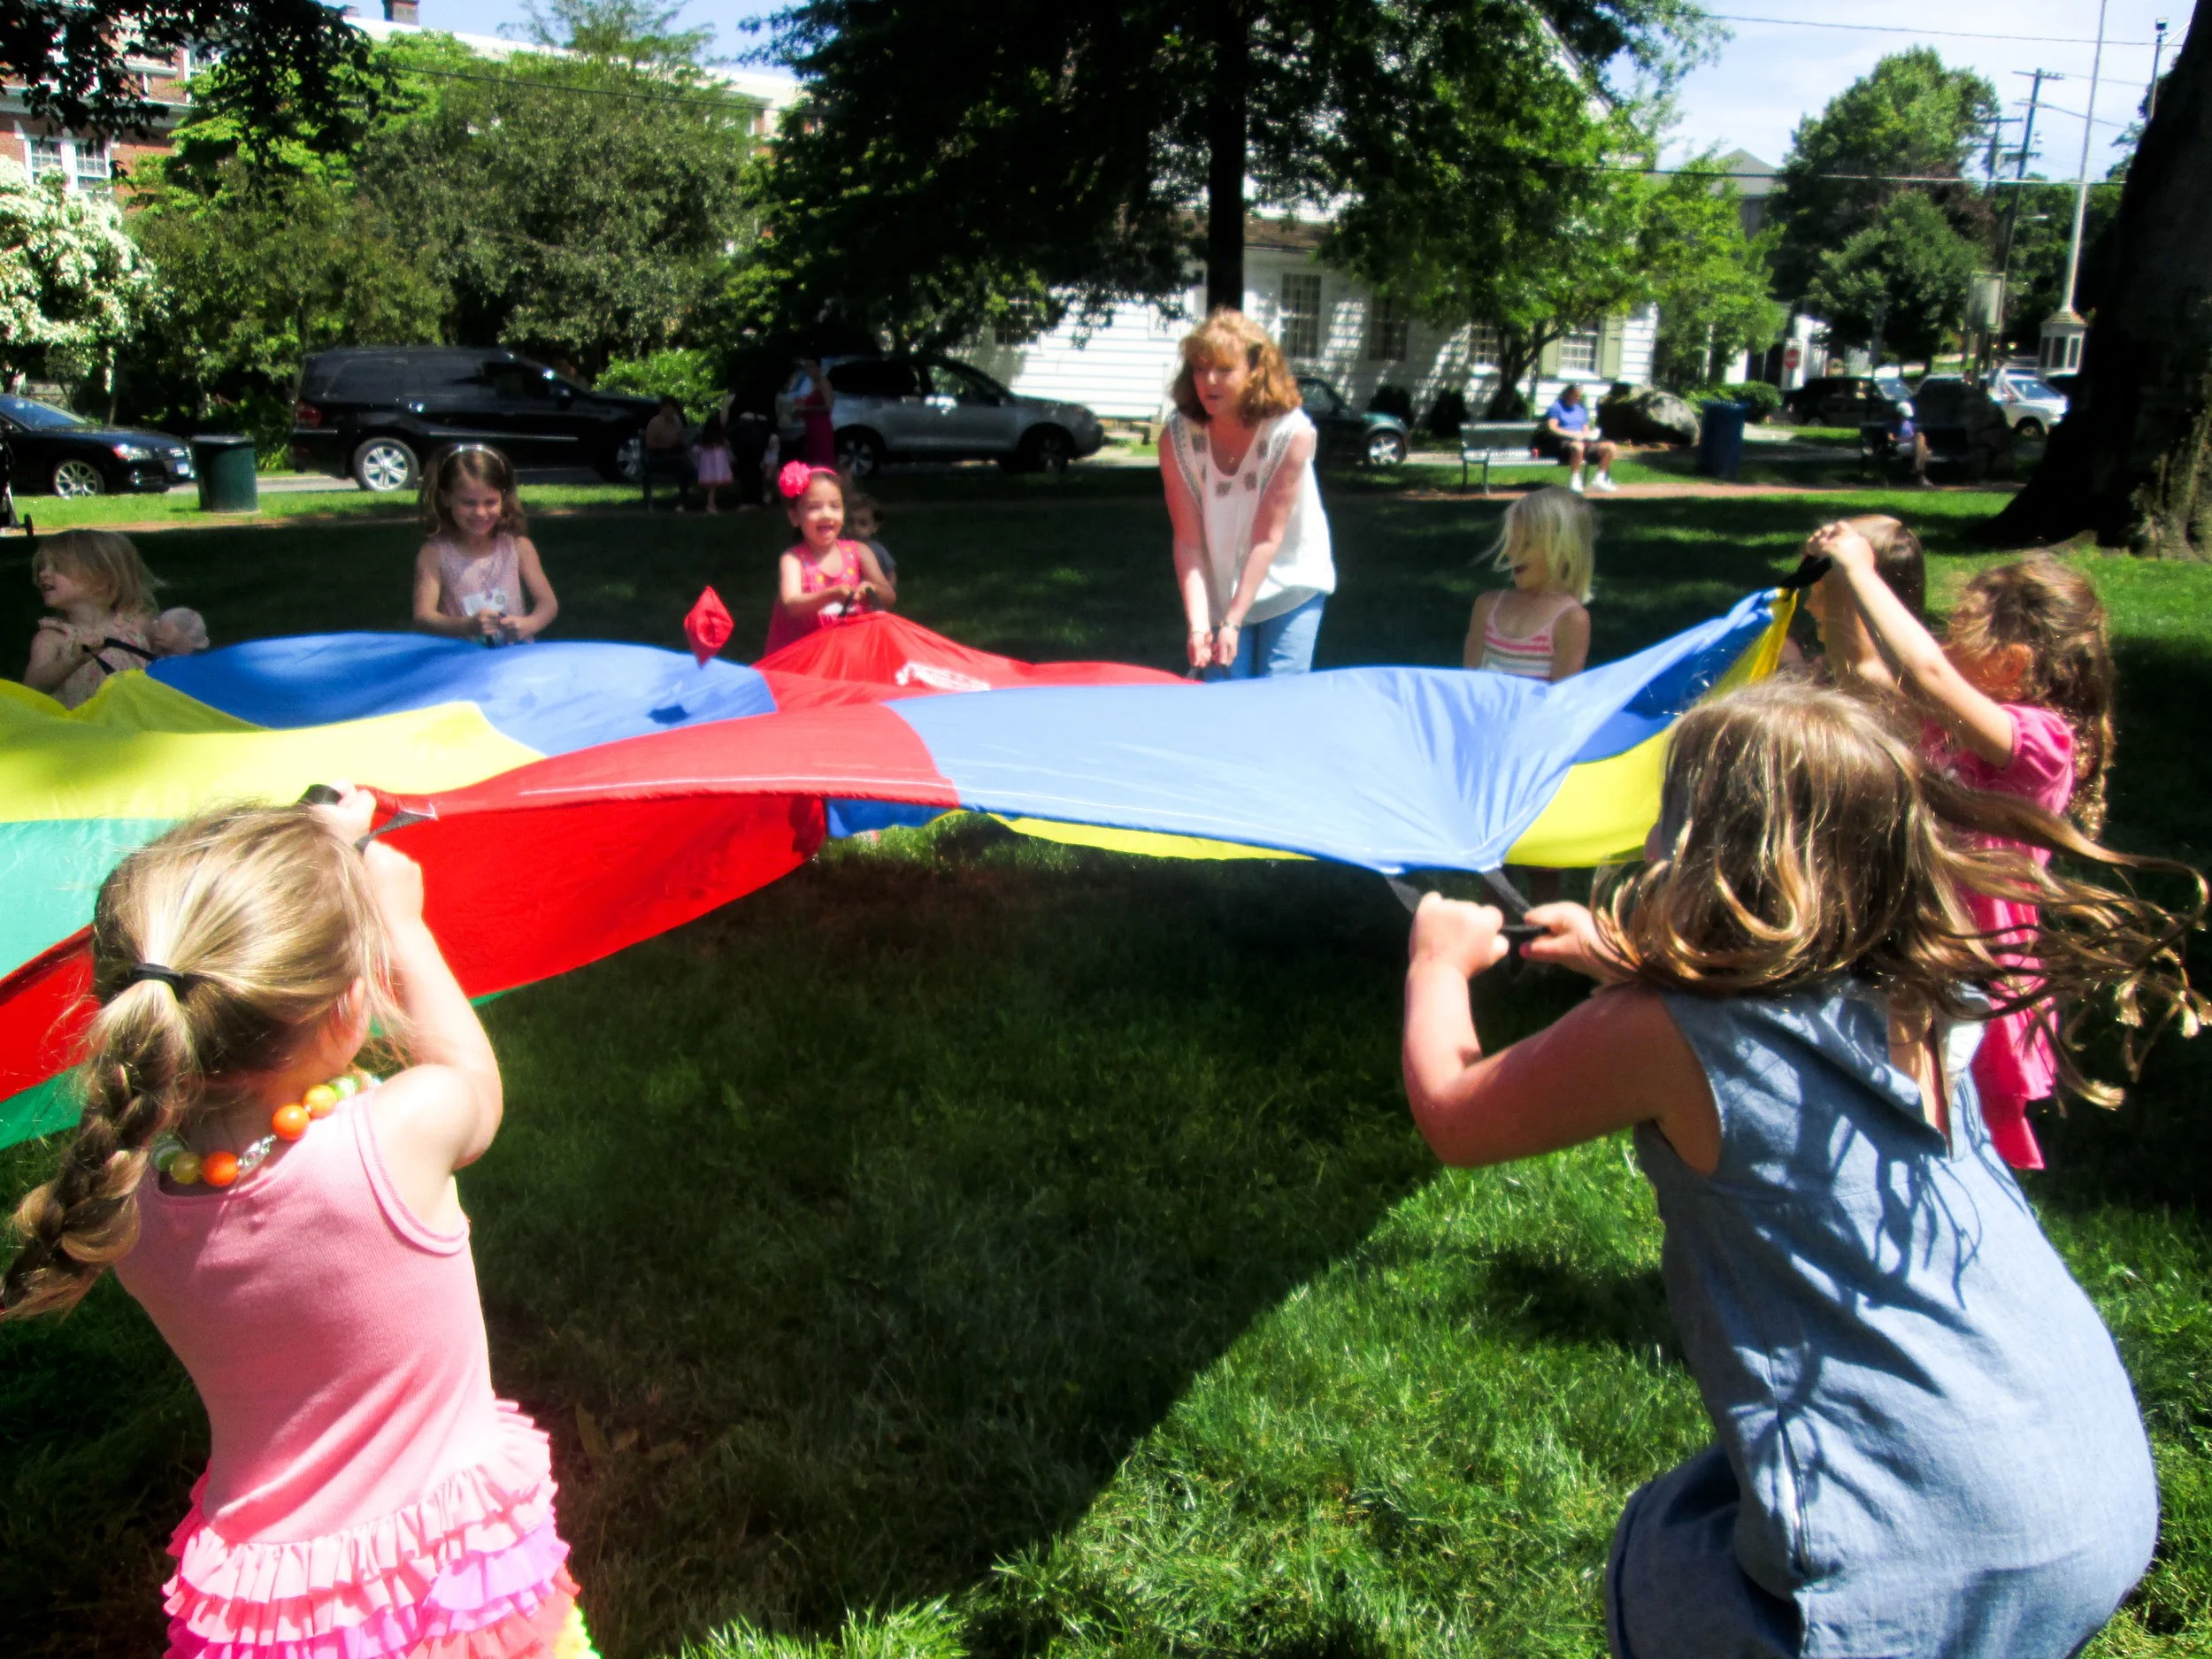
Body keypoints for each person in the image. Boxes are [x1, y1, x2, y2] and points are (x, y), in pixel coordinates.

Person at [1402, 679, 2199, 1659]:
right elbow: (1767, 1025)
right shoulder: (1918, 987)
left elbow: (1456, 1114)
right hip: (2084, 1480)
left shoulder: (1664, 1031)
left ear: (1702, 848)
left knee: (1668, 1565)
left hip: (1935, 1542)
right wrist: (1618, 954)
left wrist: (1436, 967)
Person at [0, 790, 597, 1657]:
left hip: (276, 1611)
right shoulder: (401, 1133)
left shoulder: (124, 1211)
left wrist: (313, 855)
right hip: (453, 1579)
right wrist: (402, 923)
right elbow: (472, 1075)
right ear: (350, 1004)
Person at [1815, 531, 2116, 1171]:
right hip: (1919, 942)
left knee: (1953, 1126)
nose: (1943, 643)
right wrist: (1836, 593)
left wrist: (1864, 570)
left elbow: (1922, 670)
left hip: (1974, 960)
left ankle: (1951, 1227)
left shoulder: (2041, 743)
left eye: (1959, 632)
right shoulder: (1944, 720)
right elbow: (1866, 669)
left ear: (2008, 664)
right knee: (1903, 1103)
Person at [1159, 309, 1337, 679]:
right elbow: (1188, 542)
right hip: (1220, 588)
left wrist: (1234, 621)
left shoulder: (1291, 433)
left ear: (1255, 370)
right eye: (1200, 368)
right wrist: (1199, 625)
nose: (1209, 380)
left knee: (1278, 701)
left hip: (1290, 580)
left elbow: (1267, 539)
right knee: (1224, 699)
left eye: (1224, 369)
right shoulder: (1178, 437)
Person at [24, 529, 207, 708]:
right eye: (42, 567)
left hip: (137, 722)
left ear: (102, 581)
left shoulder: (136, 624)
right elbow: (31, 688)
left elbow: (168, 661)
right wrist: (70, 662)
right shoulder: (53, 638)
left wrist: (177, 642)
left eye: (57, 567)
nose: (43, 574)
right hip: (83, 730)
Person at [412, 444, 558, 646]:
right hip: (463, 661)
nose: (480, 513)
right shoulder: (435, 554)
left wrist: (529, 624)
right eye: (469, 503)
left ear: (503, 499)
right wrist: (466, 626)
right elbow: (423, 616)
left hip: (515, 657)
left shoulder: (518, 547)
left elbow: (548, 603)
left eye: (490, 502)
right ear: (446, 498)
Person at [764, 460, 896, 656]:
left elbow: (889, 596)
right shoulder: (793, 560)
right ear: (795, 517)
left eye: (835, 506)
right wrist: (830, 595)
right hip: (808, 657)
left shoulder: (859, 552)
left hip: (852, 652)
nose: (826, 514)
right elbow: (791, 604)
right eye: (814, 508)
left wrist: (872, 589)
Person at [1462, 485, 1593, 680]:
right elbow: (1466, 683)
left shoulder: (1570, 620)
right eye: (1511, 542)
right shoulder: (1488, 607)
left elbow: (1561, 700)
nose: (1510, 552)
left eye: (1526, 543)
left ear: (1565, 551)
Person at [1793, 513, 1924, 684]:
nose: (1809, 605)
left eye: (1826, 595)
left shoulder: (1887, 685)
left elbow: (1859, 666)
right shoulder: (1828, 668)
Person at [1537, 383, 1618, 495]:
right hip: (1562, 442)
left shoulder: (1581, 408)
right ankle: (1575, 479)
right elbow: (1552, 428)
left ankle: (1600, 478)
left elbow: (1585, 428)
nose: (1575, 398)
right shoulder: (1557, 407)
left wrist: (1586, 434)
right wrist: (1572, 434)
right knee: (1578, 446)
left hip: (1583, 440)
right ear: (1566, 394)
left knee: (1610, 447)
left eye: (1577, 396)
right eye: (1573, 395)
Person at [641, 395, 695, 511]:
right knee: (682, 463)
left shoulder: (677, 421)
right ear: (663, 408)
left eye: (674, 409)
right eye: (669, 408)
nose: (672, 412)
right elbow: (649, 444)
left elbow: (681, 440)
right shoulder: (655, 423)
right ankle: (683, 501)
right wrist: (666, 446)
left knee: (684, 467)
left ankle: (683, 502)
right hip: (657, 457)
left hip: (674, 456)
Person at [790, 358, 836, 468]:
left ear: (818, 368)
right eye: (807, 367)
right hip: (811, 426)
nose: (809, 370)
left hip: (821, 426)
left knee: (823, 458)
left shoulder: (824, 382)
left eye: (812, 366)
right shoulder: (811, 385)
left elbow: (828, 406)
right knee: (813, 458)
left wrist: (806, 408)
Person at [694, 407, 736, 514]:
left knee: (711, 489)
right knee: (712, 489)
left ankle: (711, 505)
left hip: (707, 470)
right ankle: (710, 505)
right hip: (716, 470)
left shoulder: (705, 443)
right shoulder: (719, 444)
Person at [848, 488, 897, 580]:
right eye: (851, 522)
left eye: (863, 523)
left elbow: (890, 574)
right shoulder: (841, 548)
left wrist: (887, 590)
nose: (855, 528)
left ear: (874, 527)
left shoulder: (877, 550)